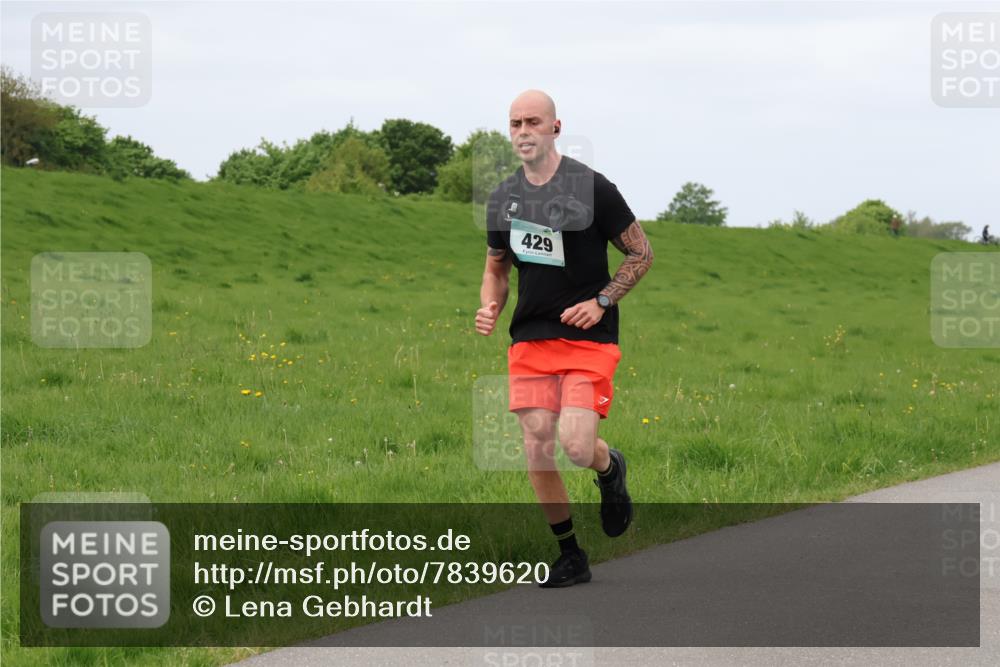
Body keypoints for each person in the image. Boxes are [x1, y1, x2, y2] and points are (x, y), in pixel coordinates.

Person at [475, 90, 653, 588]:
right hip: (530, 337)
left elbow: (641, 254)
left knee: (577, 446)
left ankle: (608, 465)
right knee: (536, 445)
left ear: (555, 127)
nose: (523, 131)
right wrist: (490, 303)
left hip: (588, 338)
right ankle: (570, 555)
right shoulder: (503, 199)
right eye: (514, 124)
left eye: (533, 121)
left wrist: (601, 301)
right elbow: (495, 269)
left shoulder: (592, 188)